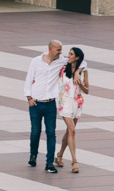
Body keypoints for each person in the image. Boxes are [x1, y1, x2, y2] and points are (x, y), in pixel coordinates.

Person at [23, 40, 67, 173]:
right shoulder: (36, 61)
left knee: (51, 133)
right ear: (51, 49)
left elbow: (81, 61)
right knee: (36, 132)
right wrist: (29, 98)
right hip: (35, 103)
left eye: (61, 50)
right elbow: (28, 80)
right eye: (58, 50)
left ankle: (49, 163)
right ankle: (33, 155)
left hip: (50, 104)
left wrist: (79, 71)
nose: (61, 52)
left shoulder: (60, 61)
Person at [55, 47, 89, 173]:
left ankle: (59, 155)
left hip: (77, 103)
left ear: (77, 57)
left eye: (71, 54)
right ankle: (75, 162)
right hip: (64, 102)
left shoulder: (83, 72)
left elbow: (87, 91)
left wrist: (80, 83)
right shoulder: (62, 68)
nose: (68, 56)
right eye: (68, 53)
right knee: (72, 130)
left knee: (69, 131)